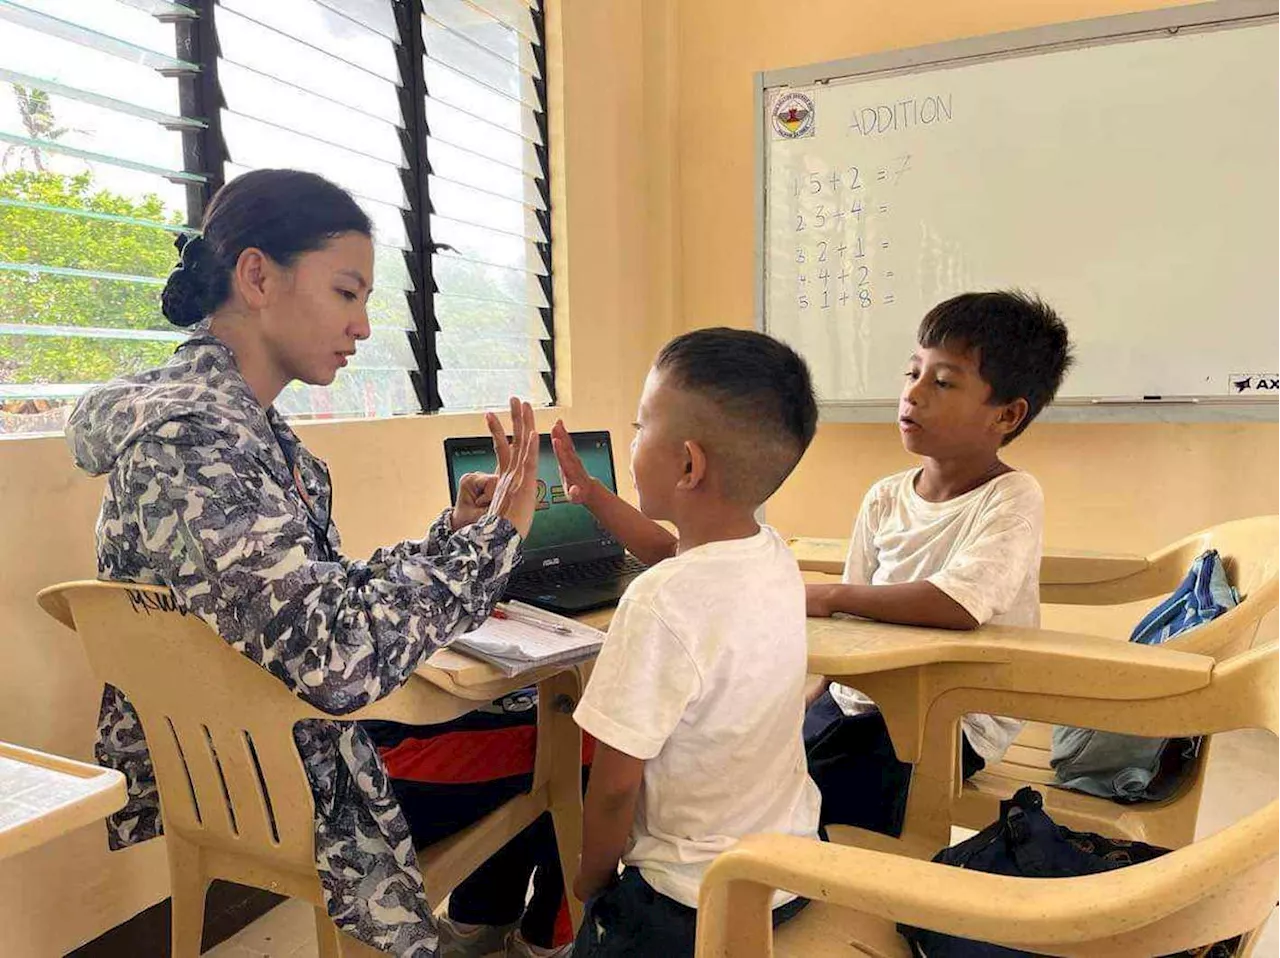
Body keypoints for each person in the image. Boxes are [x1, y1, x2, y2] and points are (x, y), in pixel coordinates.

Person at [65, 168, 567, 957]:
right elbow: (333, 658)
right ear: (258, 275)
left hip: (267, 757)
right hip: (290, 781)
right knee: (570, 734)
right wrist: (493, 541)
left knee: (530, 717)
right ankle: (536, 937)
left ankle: (483, 926)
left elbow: (312, 600)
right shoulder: (195, 442)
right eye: (346, 293)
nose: (363, 326)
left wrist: (455, 533)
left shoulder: (234, 431)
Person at [553, 328, 821, 957]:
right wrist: (594, 497)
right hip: (791, 869)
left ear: (688, 465)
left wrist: (592, 882)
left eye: (640, 426)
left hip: (688, 903)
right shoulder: (770, 554)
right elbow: (672, 554)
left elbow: (615, 787)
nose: (632, 437)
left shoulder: (657, 603)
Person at [803, 290, 1074, 836]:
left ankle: (857, 898)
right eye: (912, 373)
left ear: (1008, 414)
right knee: (755, 761)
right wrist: (811, 697)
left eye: (943, 382)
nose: (914, 394)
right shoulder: (884, 496)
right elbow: (848, 625)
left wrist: (829, 595)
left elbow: (959, 603)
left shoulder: (1011, 497)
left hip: (952, 719)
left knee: (817, 798)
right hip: (859, 699)